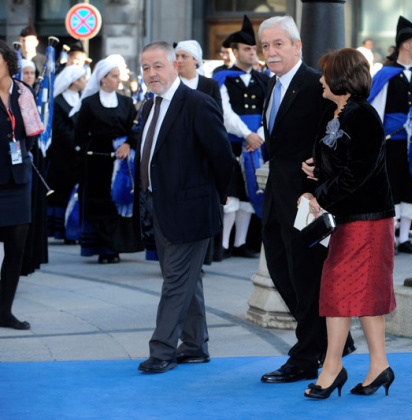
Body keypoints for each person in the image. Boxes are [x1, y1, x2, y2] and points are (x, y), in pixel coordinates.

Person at [258, 15, 354, 384]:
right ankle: (330, 342)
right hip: (276, 198)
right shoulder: (273, 85)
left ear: (297, 46)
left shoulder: (316, 84)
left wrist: (321, 180)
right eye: (266, 46)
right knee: (284, 273)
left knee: (307, 277)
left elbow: (336, 133)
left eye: (278, 44)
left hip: (307, 200)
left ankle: (304, 358)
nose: (271, 52)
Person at [301, 48, 396, 400]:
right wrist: (317, 170)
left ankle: (332, 367)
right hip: (349, 218)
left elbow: (359, 172)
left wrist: (319, 196)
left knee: (338, 292)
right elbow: (343, 164)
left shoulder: (363, 116)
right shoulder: (334, 112)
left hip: (367, 220)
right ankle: (379, 366)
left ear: (341, 77)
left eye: (326, 73)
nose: (321, 79)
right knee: (362, 295)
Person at [136, 41, 234, 373]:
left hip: (191, 211)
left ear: (175, 66)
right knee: (186, 278)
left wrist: (215, 198)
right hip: (158, 208)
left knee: (175, 281)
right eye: (146, 68)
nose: (151, 73)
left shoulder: (197, 104)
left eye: (157, 66)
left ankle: (162, 350)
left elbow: (222, 156)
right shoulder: (149, 106)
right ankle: (195, 345)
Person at [368, 16, 412, 254]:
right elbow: (375, 110)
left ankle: (405, 237)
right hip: (392, 142)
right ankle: (390, 237)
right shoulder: (385, 74)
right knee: (392, 187)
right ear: (405, 45)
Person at [72, 56, 144, 263]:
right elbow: (80, 134)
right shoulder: (89, 103)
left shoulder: (126, 102)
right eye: (113, 76)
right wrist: (93, 151)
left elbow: (136, 127)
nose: (117, 80)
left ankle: (119, 245)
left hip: (122, 163)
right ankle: (104, 247)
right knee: (101, 204)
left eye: (117, 76)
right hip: (98, 163)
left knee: (119, 201)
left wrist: (129, 143)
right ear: (103, 79)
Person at [212, 15, 268, 259]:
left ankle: (242, 243)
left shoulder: (264, 79)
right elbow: (225, 113)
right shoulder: (222, 78)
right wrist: (247, 135)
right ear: (234, 51)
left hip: (257, 146)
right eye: (247, 49)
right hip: (233, 144)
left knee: (249, 197)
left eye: (254, 49)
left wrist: (260, 137)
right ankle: (223, 245)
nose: (252, 53)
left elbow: (270, 111)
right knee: (231, 198)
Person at [0, 40, 44, 330]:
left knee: (16, 247)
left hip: (18, 179)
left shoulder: (22, 91)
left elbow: (31, 132)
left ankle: (4, 311)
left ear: (7, 62)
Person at [174, 40, 224, 263]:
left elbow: (217, 115)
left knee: (202, 204)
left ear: (196, 60)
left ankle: (202, 256)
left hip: (203, 154)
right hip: (178, 154)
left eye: (185, 56)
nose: (180, 60)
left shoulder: (209, 85)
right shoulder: (172, 84)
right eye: (178, 56)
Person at [46, 65, 87, 242]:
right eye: (83, 78)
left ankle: (76, 229)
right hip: (62, 155)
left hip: (79, 156)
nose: (86, 81)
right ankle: (61, 230)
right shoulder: (58, 101)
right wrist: (76, 142)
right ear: (74, 81)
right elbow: (60, 129)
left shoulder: (82, 98)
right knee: (62, 191)